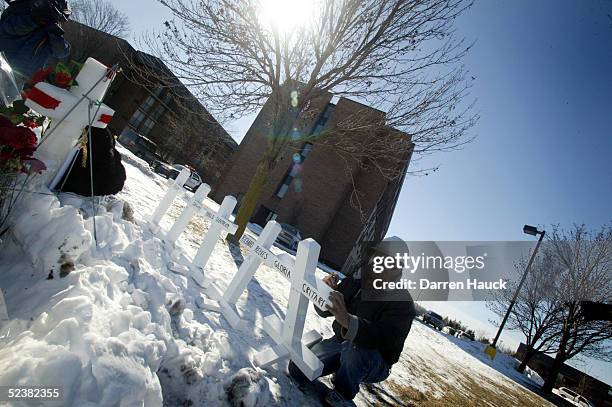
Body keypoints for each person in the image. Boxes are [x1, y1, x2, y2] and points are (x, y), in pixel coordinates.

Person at [288, 237, 416, 406]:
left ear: (398, 268)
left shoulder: (403, 303)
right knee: (297, 370)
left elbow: (382, 337)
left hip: (374, 359)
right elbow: (325, 310)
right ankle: (341, 368)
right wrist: (325, 292)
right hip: (340, 344)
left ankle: (343, 393)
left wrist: (348, 321)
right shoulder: (355, 284)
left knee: (354, 349)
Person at [0, 0, 71, 88]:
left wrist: (55, 33)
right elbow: (8, 28)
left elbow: (62, 52)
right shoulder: (21, 8)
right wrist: (34, 20)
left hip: (20, 76)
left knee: (6, 100)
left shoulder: (51, 33)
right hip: (2, 62)